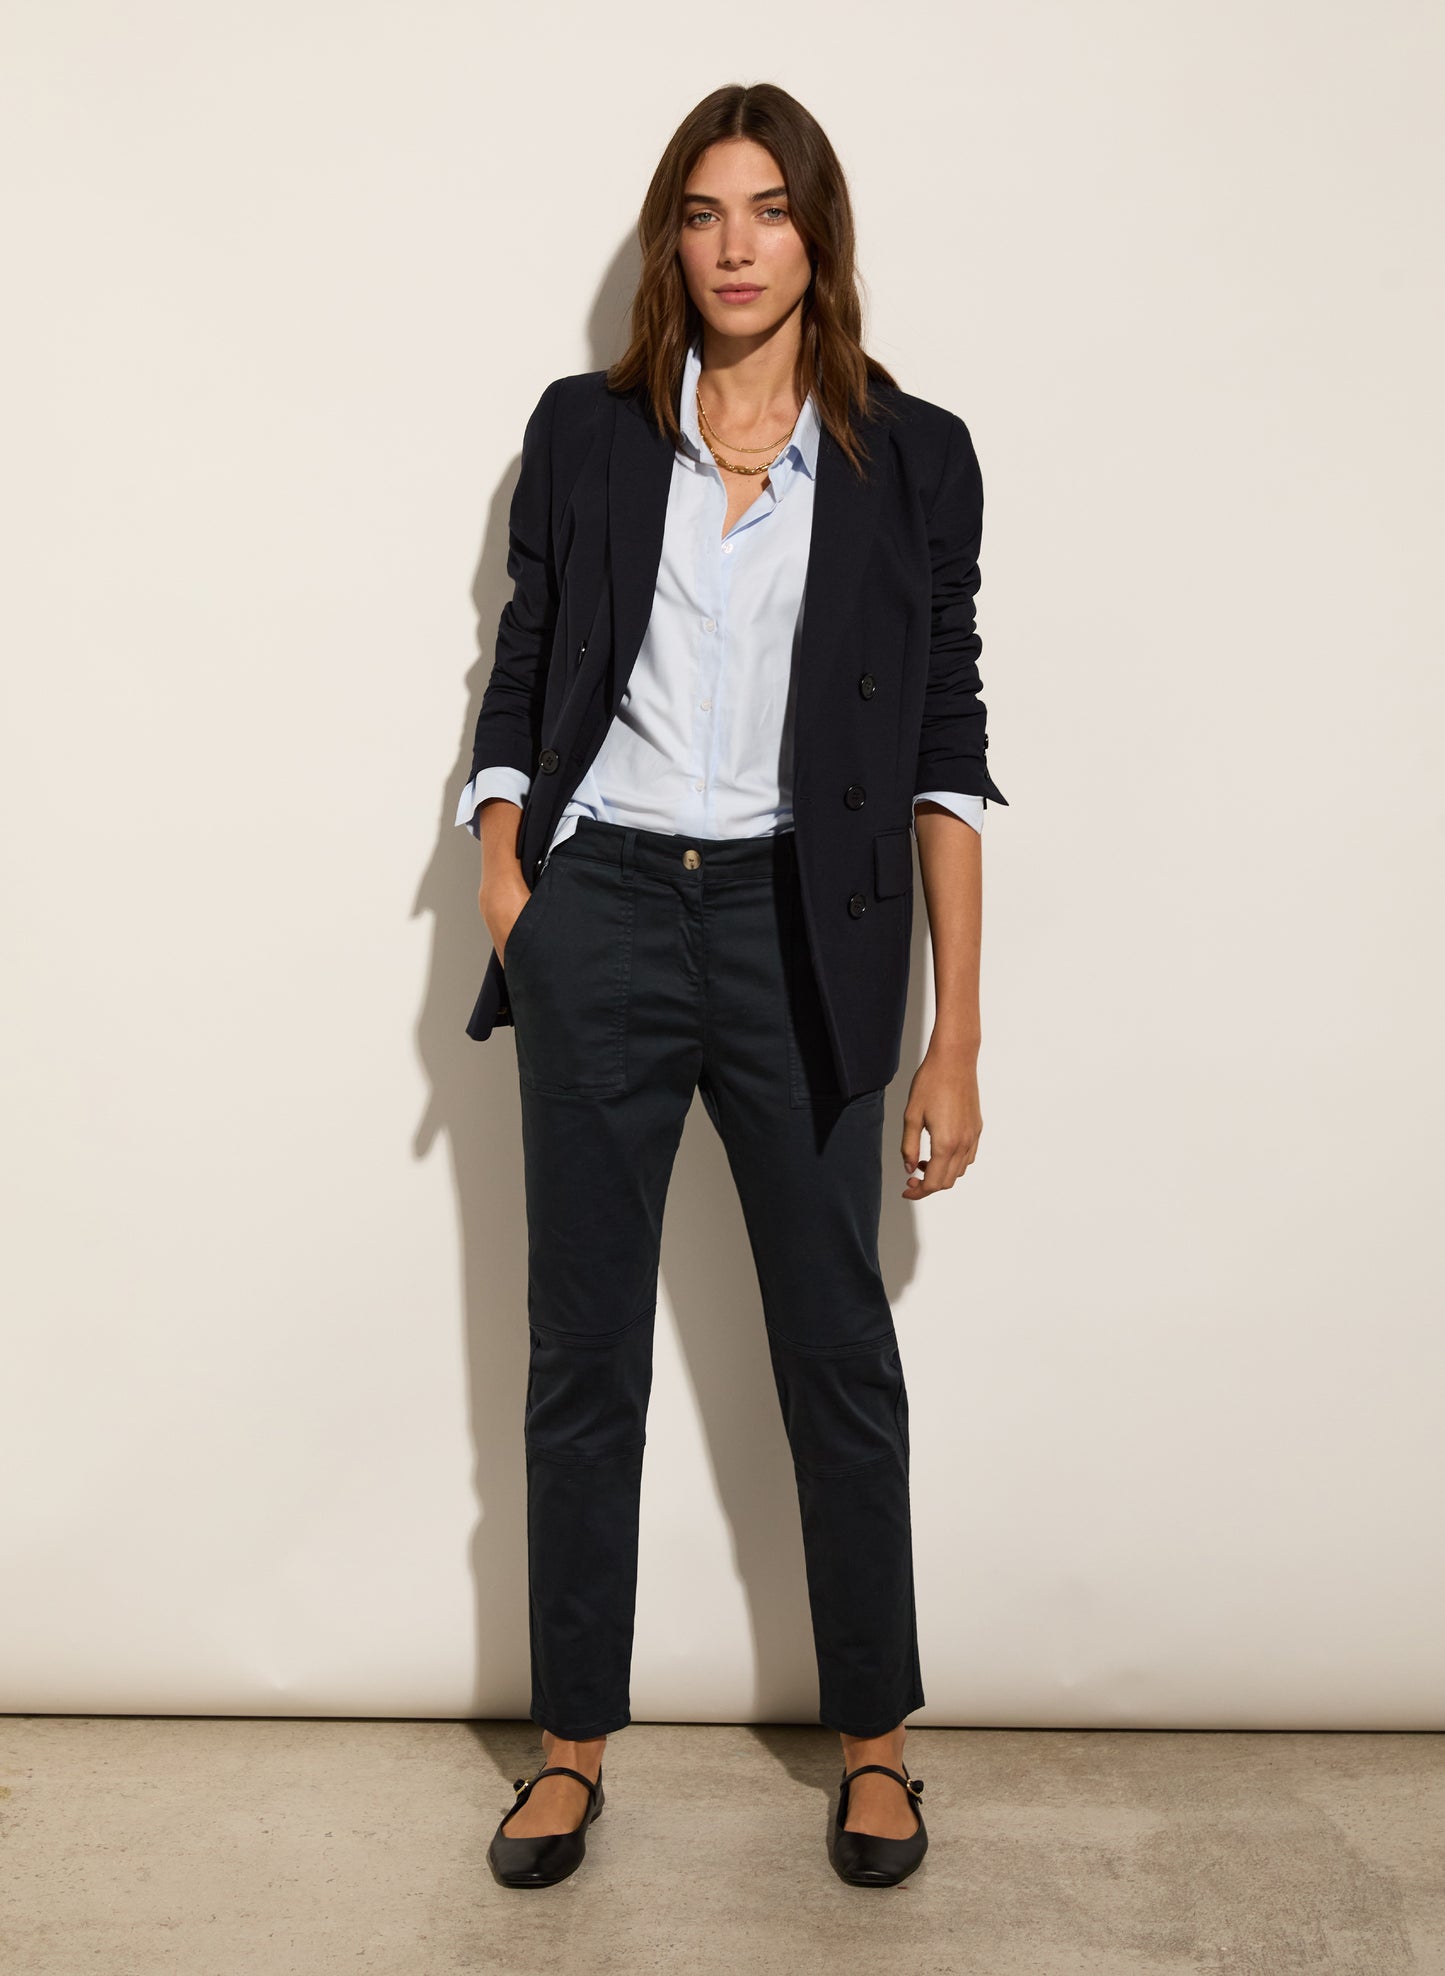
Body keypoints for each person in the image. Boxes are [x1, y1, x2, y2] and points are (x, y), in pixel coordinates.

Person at [455, 81, 1008, 1890]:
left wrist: (954, 1037)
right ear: (669, 241)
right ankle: (567, 1751)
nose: (735, 245)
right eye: (702, 213)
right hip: (602, 910)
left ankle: (877, 1748)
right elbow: (526, 653)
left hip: (805, 933)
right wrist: (509, 878)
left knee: (836, 1347)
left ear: (815, 234)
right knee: (579, 1354)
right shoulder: (588, 434)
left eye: (767, 209)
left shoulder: (913, 458)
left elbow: (943, 747)